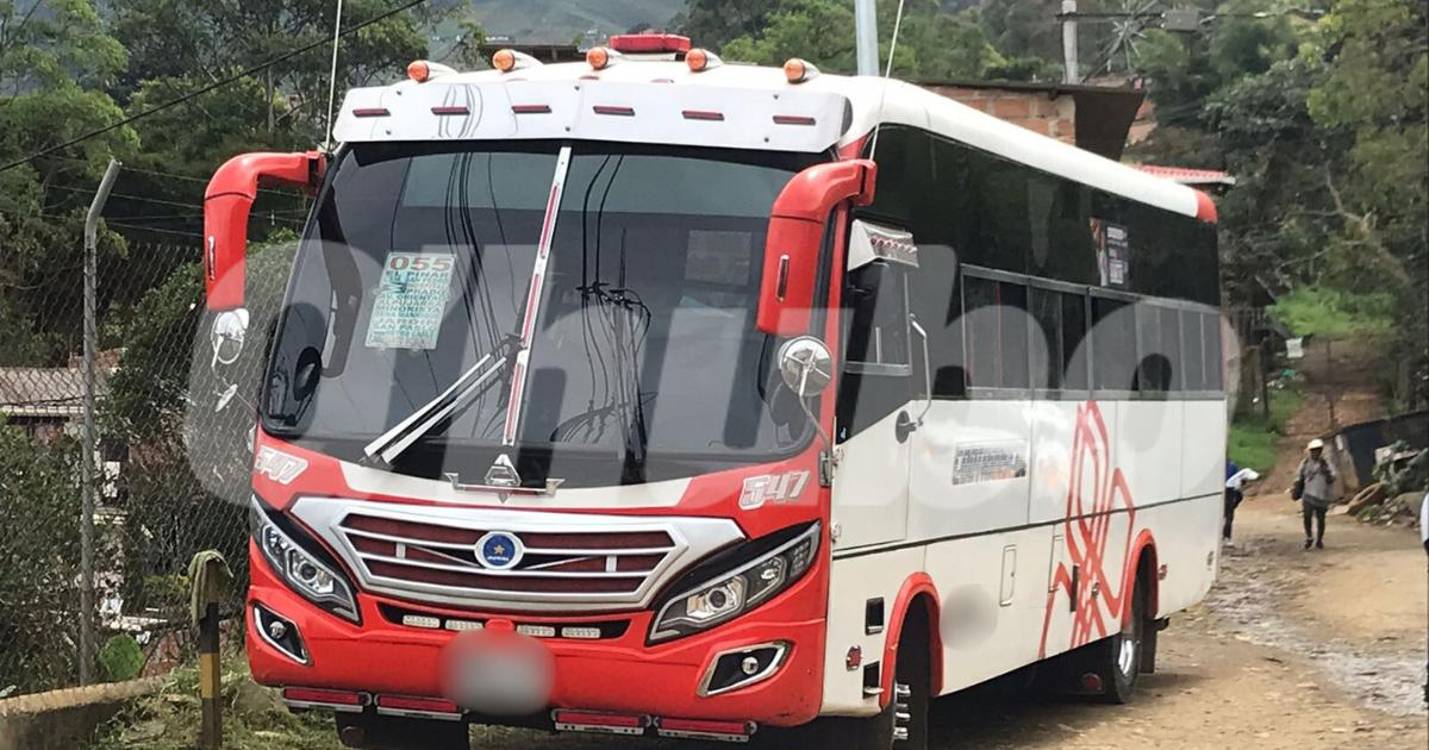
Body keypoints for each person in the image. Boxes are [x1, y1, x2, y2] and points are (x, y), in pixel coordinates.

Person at [1295, 438, 1337, 549]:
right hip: (1308, 494)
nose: (1315, 453)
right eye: (1313, 451)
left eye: (1317, 450)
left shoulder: (1326, 464)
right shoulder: (1305, 463)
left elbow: (1333, 478)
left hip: (1322, 495)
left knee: (1321, 519)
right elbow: (1299, 477)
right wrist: (1296, 489)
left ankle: (1319, 539)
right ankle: (1309, 537)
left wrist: (1326, 472)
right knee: (1307, 516)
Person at [1223, 459, 1260, 546]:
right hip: (1229, 491)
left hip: (1227, 490)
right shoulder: (1232, 466)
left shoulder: (1229, 466)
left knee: (1228, 515)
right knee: (1229, 516)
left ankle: (1226, 536)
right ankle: (1226, 537)